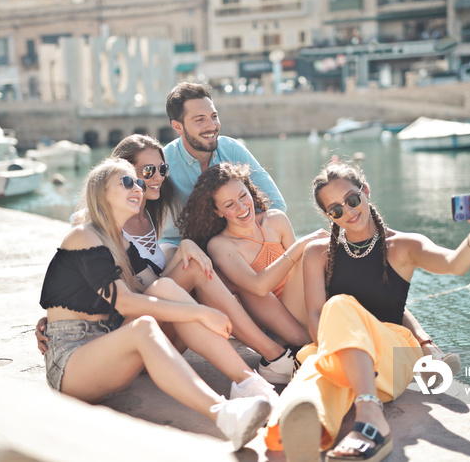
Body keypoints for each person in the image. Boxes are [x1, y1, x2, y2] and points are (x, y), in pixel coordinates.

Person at [264, 160, 470, 461]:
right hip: (348, 359)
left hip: (392, 355)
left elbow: (454, 264)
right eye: (336, 210)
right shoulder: (316, 254)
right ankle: (302, 431)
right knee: (313, 369)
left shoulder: (403, 246)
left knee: (338, 307)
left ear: (366, 191)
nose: (348, 212)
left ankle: (370, 416)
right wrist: (336, 353)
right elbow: (315, 319)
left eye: (352, 199)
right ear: (327, 216)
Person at [38, 157, 274, 451]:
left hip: (108, 343)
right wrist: (201, 312)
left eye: (137, 181)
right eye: (126, 182)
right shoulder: (83, 236)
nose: (137, 187)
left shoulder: (122, 242)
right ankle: (224, 415)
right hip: (71, 361)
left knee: (165, 286)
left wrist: (186, 249)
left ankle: (247, 382)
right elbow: (125, 303)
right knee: (145, 326)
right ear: (101, 193)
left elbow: (159, 287)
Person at [38, 134, 299, 384]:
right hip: (120, 333)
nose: (157, 178)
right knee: (198, 271)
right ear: (121, 173)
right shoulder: (92, 224)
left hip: (150, 319)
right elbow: (78, 280)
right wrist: (55, 323)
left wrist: (185, 248)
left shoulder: (156, 214)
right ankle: (275, 356)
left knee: (213, 272)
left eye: (162, 169)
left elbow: (156, 283)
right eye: (146, 172)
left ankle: (277, 353)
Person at [178, 162, 328, 352]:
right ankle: (299, 344)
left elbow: (302, 270)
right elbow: (258, 287)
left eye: (243, 196)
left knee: (317, 251)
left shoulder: (276, 220)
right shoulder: (221, 245)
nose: (242, 207)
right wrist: (302, 244)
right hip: (275, 325)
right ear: (217, 211)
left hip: (307, 306)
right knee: (309, 250)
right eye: (229, 205)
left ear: (249, 190)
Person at [160, 82, 286, 249]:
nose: (212, 126)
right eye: (200, 120)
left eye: (214, 116)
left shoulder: (232, 149)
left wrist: (233, 235)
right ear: (178, 126)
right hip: (179, 246)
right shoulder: (163, 163)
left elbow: (276, 204)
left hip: (235, 243)